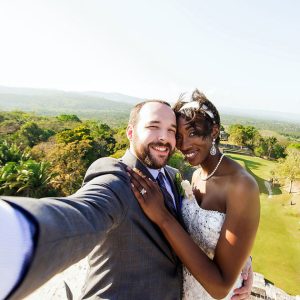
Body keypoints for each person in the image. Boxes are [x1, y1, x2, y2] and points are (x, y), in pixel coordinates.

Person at [0, 100, 252, 300]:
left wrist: (241, 261)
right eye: (153, 127)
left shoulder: (175, 176)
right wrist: (17, 234)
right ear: (130, 132)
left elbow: (206, 225)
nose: (165, 138)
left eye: (171, 130)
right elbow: (83, 213)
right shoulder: (117, 178)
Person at [128, 90, 260, 300]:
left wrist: (163, 217)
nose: (184, 145)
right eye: (178, 136)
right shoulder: (197, 175)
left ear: (214, 131)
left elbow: (219, 288)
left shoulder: (241, 186)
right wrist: (244, 259)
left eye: (192, 133)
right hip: (183, 290)